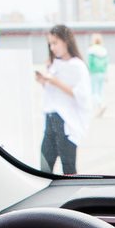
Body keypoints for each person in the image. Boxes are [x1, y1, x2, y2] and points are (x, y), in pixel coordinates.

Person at [36, 24, 91, 175]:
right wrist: (44, 82)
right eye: (50, 44)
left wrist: (55, 82)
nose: (52, 48)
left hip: (65, 122)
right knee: (44, 167)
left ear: (66, 41)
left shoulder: (77, 66)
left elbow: (82, 95)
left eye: (55, 43)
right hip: (50, 119)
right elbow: (52, 95)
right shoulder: (54, 64)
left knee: (68, 169)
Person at [86, 33, 109, 117]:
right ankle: (99, 107)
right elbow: (106, 63)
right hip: (102, 72)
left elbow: (89, 62)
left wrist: (88, 72)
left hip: (94, 72)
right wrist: (106, 73)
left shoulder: (91, 51)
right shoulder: (104, 50)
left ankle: (101, 105)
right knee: (100, 91)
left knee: (93, 92)